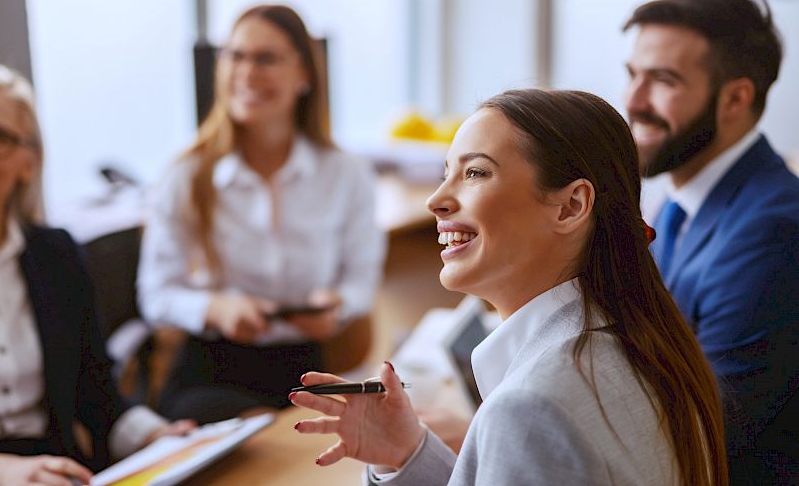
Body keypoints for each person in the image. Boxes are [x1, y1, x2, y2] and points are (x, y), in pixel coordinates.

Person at [291, 89, 728, 486]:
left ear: (571, 206)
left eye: (476, 173)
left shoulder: (530, 408)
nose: (436, 199)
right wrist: (407, 455)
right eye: (447, 172)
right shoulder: (639, 345)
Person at [0, 65, 194, 486]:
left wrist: (157, 435)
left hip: (59, 476)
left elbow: (96, 397)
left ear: (28, 161)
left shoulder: (55, 256)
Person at [137, 4, 385, 423]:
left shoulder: (347, 174)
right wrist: (215, 308)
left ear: (305, 74)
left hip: (304, 368)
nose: (247, 72)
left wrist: (336, 306)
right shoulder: (187, 175)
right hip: (211, 375)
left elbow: (362, 280)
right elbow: (156, 294)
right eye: (235, 56)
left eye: (266, 58)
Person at [623, 0, 799, 484]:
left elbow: (701, 428)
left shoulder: (773, 230)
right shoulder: (683, 204)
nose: (633, 101)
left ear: (736, 98)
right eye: (633, 74)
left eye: (662, 80)